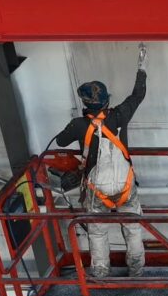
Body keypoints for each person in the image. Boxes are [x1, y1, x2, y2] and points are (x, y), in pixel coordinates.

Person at [56, 43, 148, 278]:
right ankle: (137, 272)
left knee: (97, 233)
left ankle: (100, 275)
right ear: (107, 101)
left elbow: (61, 142)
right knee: (133, 229)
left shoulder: (79, 125)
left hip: (98, 191)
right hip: (126, 187)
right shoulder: (120, 114)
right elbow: (138, 95)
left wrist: (74, 125)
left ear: (85, 104)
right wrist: (141, 68)